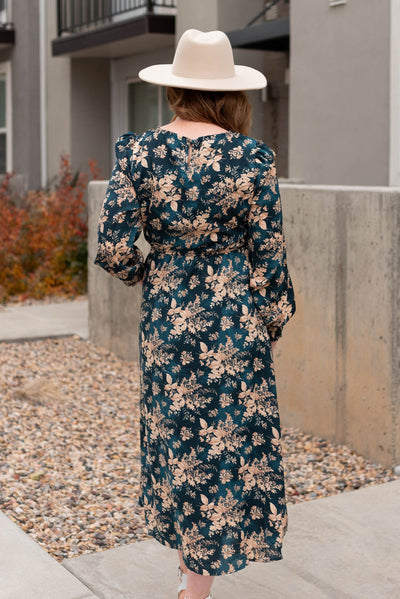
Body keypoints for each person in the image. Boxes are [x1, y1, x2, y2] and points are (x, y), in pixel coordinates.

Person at [94, 28, 296, 599]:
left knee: (179, 438)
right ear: (230, 93)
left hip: (167, 316)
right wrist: (270, 321)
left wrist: (153, 275)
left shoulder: (138, 150)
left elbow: (112, 248)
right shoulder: (252, 157)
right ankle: (195, 586)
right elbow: (270, 257)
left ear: (176, 90)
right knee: (226, 441)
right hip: (234, 316)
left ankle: (191, 578)